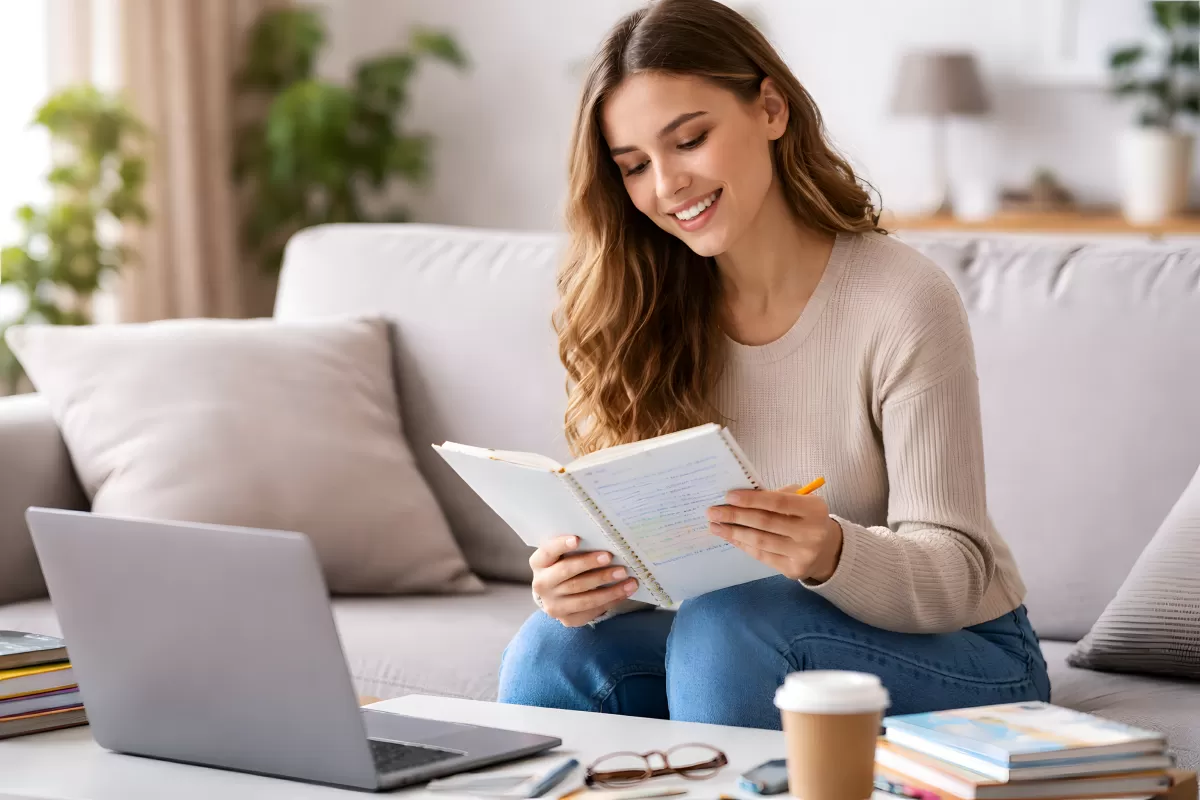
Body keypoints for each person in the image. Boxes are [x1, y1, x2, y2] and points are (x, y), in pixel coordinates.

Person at [497, 0, 1050, 729]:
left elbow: (958, 571)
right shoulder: (638, 310)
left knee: (730, 625)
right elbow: (662, 569)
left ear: (770, 109)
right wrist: (583, 585)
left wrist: (831, 551)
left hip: (966, 653)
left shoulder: (901, 298)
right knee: (553, 650)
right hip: (743, 642)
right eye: (634, 166)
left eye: (689, 140)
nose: (667, 185)